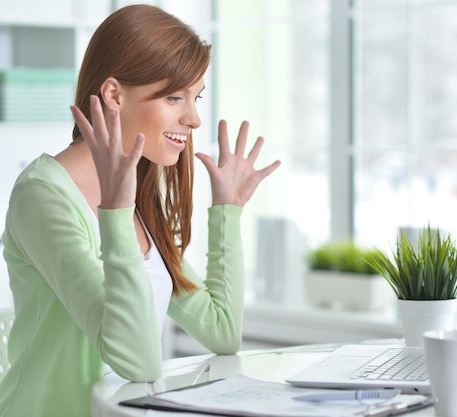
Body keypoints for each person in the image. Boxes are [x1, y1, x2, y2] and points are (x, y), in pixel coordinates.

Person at [0, 4, 280, 417]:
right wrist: (115, 210)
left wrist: (227, 211)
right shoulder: (42, 196)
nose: (194, 118)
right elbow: (136, 359)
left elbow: (221, 331)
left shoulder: (137, 202)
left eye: (195, 97)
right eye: (174, 97)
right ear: (114, 95)